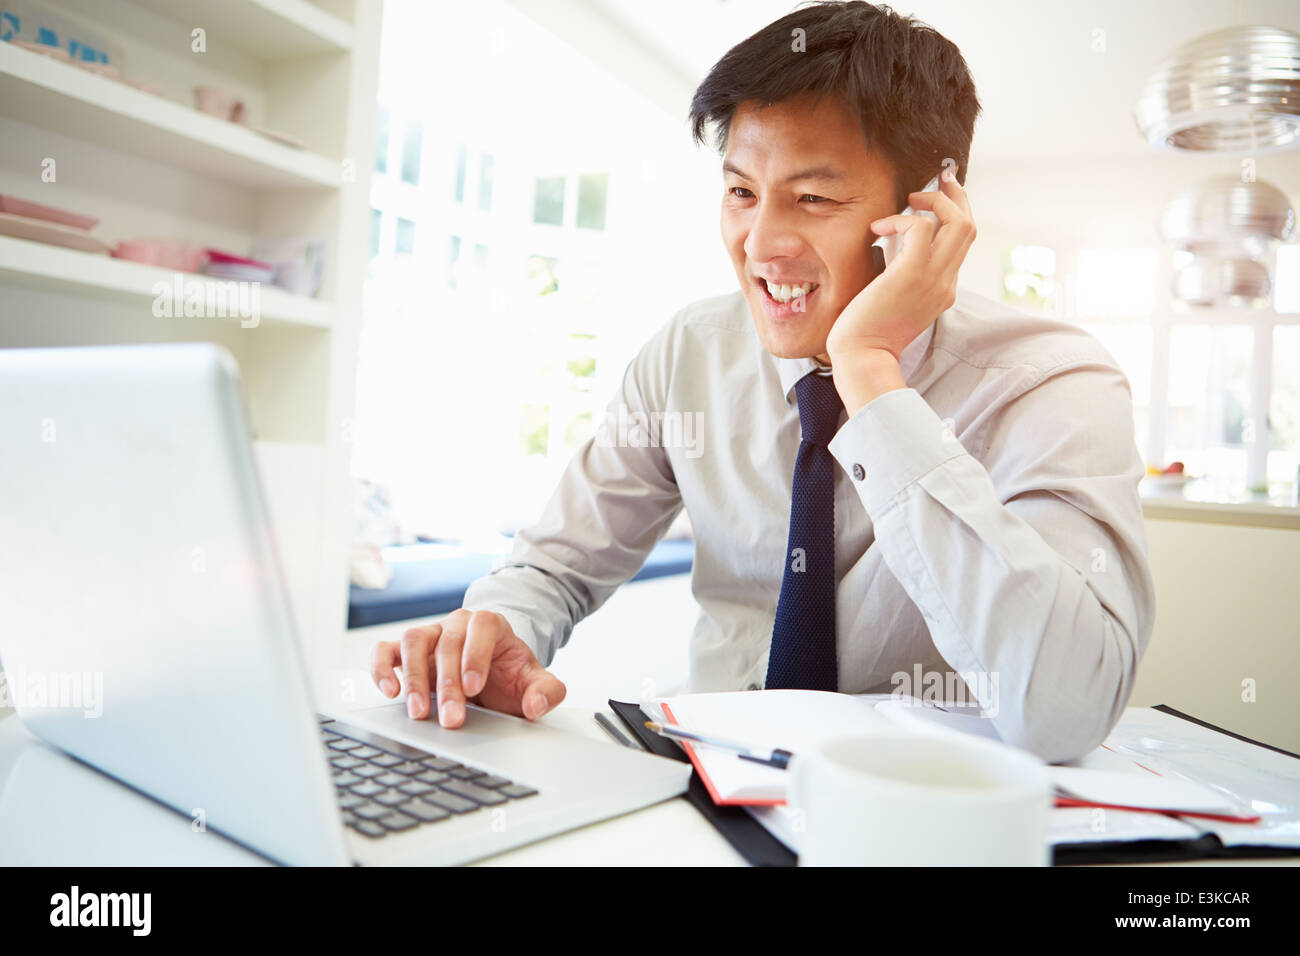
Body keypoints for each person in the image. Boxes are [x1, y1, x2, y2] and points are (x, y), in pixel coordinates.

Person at [370, 1, 1155, 763]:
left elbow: (1065, 709)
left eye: (813, 198)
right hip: (705, 786)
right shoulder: (690, 353)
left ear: (926, 213)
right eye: (742, 192)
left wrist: (871, 373)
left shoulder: (1053, 383)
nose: (762, 244)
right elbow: (556, 563)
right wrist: (496, 630)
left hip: (925, 816)